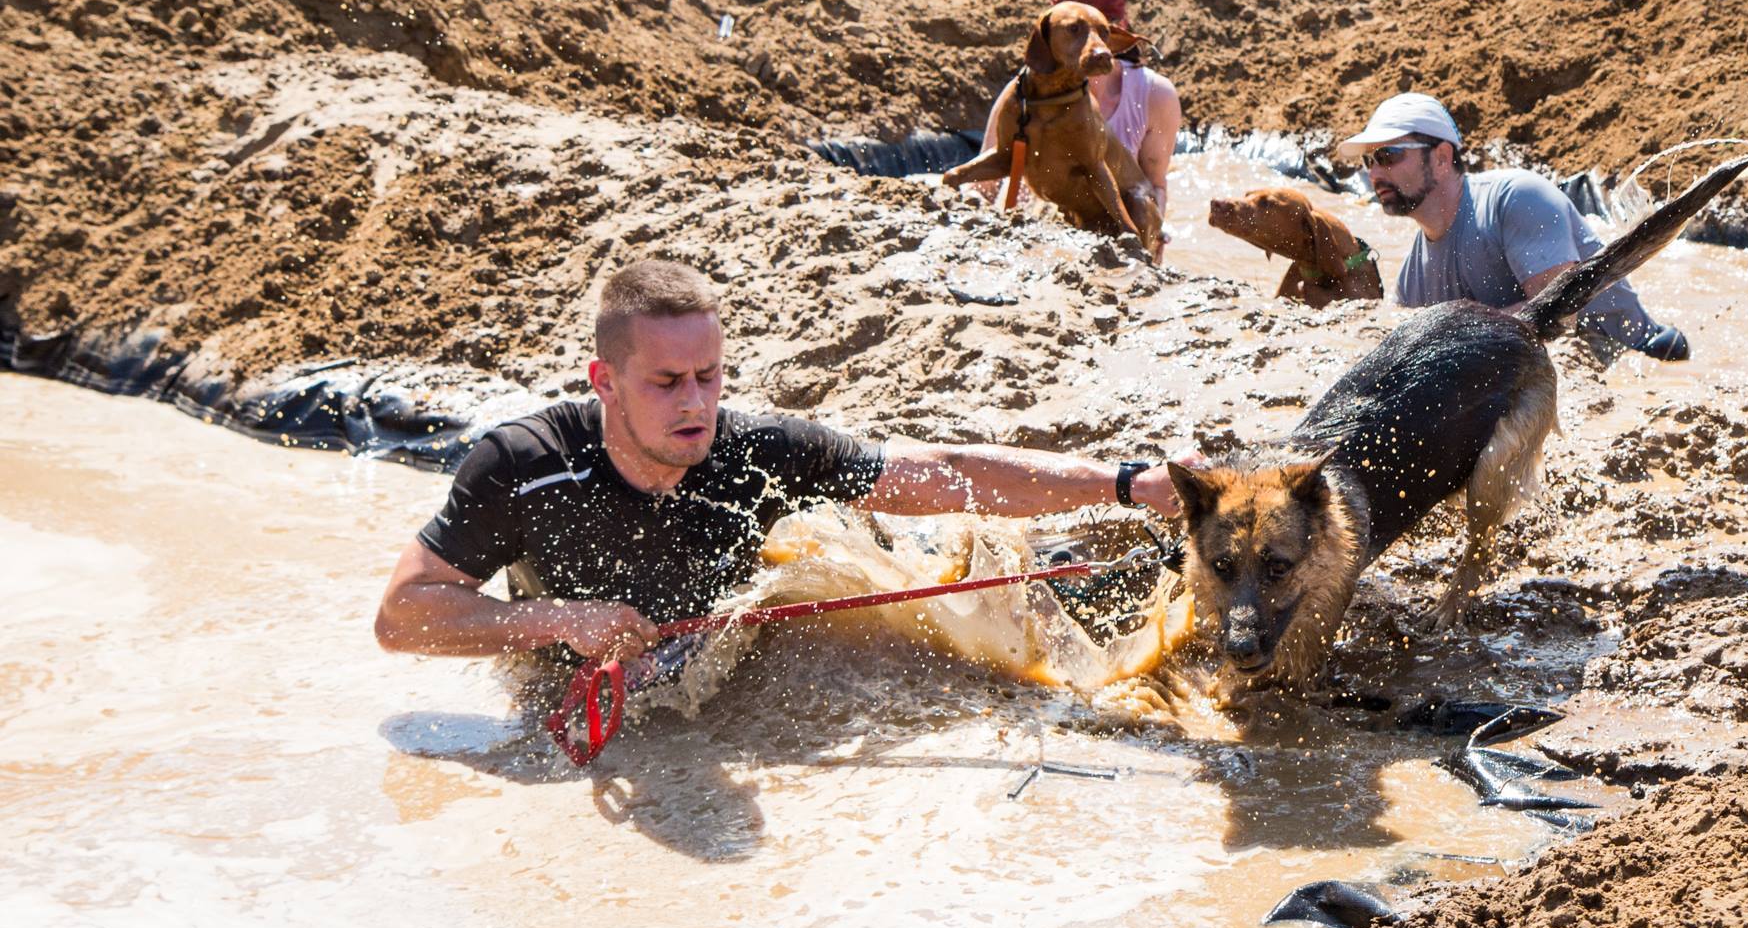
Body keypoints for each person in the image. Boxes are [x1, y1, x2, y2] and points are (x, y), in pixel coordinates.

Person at [376, 259, 1183, 664]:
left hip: (721, 654)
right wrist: (558, 621)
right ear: (606, 381)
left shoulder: (757, 450)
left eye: (709, 376)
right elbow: (401, 618)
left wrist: (1125, 483)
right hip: (565, 678)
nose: (696, 403)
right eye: (666, 382)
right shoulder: (521, 464)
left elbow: (938, 474)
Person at [1332, 93, 1691, 361]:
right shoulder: (1411, 281)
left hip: (1642, 358)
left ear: (1441, 158)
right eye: (1368, 160)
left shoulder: (1516, 198)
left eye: (1388, 156)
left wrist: (1445, 334)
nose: (1374, 174)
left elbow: (1560, 318)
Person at [975, 0, 1183, 219]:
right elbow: (982, 189)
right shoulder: (1023, 93)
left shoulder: (1153, 95)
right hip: (1029, 229)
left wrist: (1153, 237)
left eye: (1100, 31)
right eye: (1074, 30)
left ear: (1118, 30)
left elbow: (1155, 186)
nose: (1090, 46)